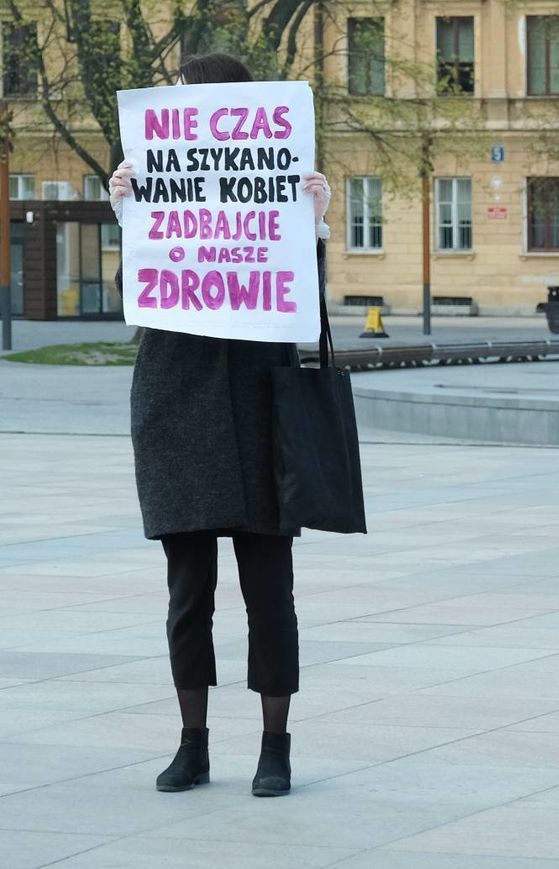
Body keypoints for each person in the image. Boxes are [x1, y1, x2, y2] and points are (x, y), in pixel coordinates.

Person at [109, 53, 333, 797]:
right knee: (188, 594)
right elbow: (136, 297)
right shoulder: (152, 188)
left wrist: (317, 221)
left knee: (270, 593)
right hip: (177, 408)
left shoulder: (280, 188)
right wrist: (128, 214)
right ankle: (192, 742)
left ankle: (276, 747)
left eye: (189, 100)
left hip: (261, 408)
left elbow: (302, 298)